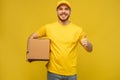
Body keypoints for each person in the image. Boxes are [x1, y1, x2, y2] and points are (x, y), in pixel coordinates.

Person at [29, 0, 93, 80]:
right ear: (57, 11)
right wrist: (30, 53)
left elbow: (90, 49)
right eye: (60, 9)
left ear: (70, 12)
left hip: (71, 74)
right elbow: (32, 37)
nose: (63, 11)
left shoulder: (78, 30)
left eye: (66, 9)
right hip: (53, 72)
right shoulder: (48, 28)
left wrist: (88, 44)